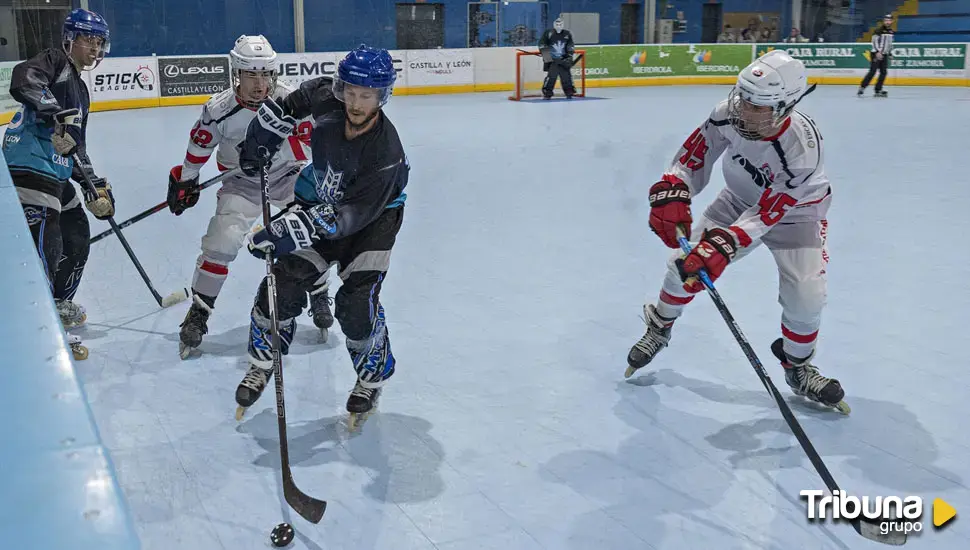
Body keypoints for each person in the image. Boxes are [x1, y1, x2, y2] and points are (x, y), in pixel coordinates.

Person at [625, 50, 849, 414]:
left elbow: (770, 211)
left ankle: (798, 365)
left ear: (785, 106)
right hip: (736, 200)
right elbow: (693, 157)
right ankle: (659, 326)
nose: (744, 110)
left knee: (806, 297)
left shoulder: (802, 151)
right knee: (684, 265)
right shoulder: (727, 112)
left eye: (757, 106)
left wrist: (725, 243)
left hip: (797, 215)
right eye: (742, 98)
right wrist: (675, 187)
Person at [233, 45, 409, 429]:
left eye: (368, 95)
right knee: (280, 284)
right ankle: (263, 363)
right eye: (351, 92)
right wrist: (259, 140)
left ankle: (371, 377)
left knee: (356, 304)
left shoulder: (386, 153)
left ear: (383, 95)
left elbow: (347, 220)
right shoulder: (325, 96)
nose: (356, 103)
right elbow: (286, 108)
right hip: (323, 199)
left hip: (372, 222)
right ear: (341, 87)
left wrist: (284, 230)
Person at [167, 34, 333, 360]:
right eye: (250, 75)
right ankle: (199, 311)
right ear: (236, 74)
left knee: (309, 234)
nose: (260, 84)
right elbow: (200, 144)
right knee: (221, 243)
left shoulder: (292, 100)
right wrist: (186, 180)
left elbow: (318, 140)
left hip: (288, 177)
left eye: (265, 75)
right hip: (241, 182)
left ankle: (319, 291)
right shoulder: (219, 110)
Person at [1, 8, 113, 360]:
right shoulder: (54, 61)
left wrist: (93, 185)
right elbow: (23, 79)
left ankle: (56, 304)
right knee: (44, 249)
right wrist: (54, 116)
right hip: (29, 167)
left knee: (77, 234)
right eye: (88, 40)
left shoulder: (79, 89)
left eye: (99, 42)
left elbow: (76, 146)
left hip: (57, 172)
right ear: (70, 39)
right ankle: (39, 326)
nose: (94, 49)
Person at [537, 17, 576, 99]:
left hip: (563, 59)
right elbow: (542, 44)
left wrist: (569, 56)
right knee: (551, 77)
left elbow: (570, 45)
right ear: (554, 25)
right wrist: (547, 57)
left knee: (566, 77)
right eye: (557, 24)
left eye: (560, 24)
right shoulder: (548, 33)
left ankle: (569, 91)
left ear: (563, 25)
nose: (559, 26)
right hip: (552, 60)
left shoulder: (567, 34)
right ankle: (547, 92)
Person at [859, 15, 894, 98]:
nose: (887, 22)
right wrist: (878, 52)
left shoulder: (891, 31)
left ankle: (878, 90)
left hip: (884, 54)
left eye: (889, 20)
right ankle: (862, 87)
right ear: (883, 21)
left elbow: (889, 44)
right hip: (876, 53)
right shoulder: (878, 30)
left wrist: (890, 53)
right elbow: (874, 41)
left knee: (884, 72)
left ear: (892, 21)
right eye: (886, 20)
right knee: (872, 71)